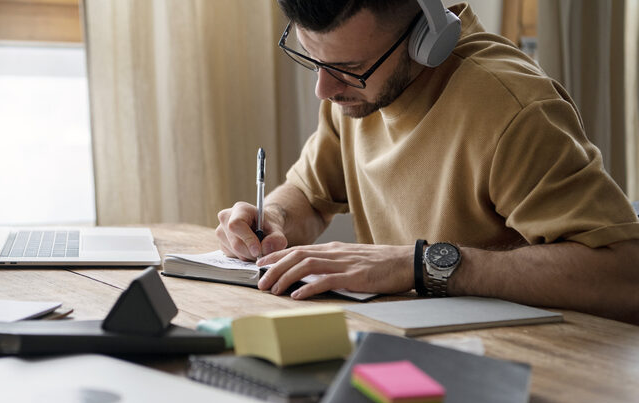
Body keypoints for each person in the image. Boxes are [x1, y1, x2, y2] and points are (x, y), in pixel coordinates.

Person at [215, 0, 639, 323]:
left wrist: (420, 265)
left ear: (425, 38)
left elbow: (625, 276)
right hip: (405, 343)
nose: (323, 90)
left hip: (531, 368)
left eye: (348, 68)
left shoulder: (513, 109)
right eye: (313, 59)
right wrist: (273, 219)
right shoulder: (355, 95)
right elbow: (309, 196)